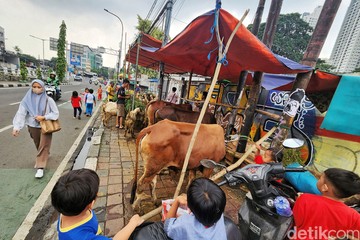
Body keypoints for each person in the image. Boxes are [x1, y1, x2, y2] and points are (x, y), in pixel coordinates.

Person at [51, 168, 144, 240]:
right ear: (91, 204)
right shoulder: (81, 237)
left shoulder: (66, 207)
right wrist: (133, 223)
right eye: (96, 194)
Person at [292, 168, 360, 239]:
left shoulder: (305, 199)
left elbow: (296, 222)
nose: (318, 179)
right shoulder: (353, 216)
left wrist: (299, 201)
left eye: (321, 178)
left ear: (325, 187)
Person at [12, 79, 59, 179]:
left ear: (43, 88)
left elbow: (55, 113)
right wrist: (16, 127)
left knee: (43, 145)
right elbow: (21, 113)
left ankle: (40, 167)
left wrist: (44, 117)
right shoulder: (26, 100)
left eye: (39, 87)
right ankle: (44, 156)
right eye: (34, 87)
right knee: (38, 144)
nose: (36, 89)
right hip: (32, 126)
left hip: (45, 126)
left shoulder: (48, 100)